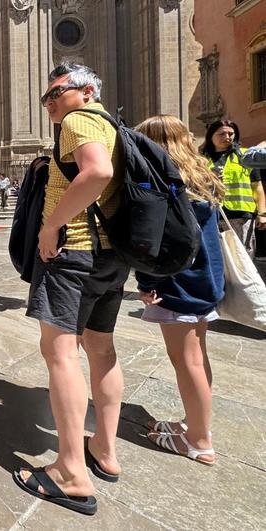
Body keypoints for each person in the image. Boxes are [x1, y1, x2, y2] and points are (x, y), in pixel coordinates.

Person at [16, 62, 129, 516]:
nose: (49, 103)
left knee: (61, 354)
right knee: (102, 350)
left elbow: (96, 173)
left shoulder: (78, 120)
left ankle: (70, 472)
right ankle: (104, 449)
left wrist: (51, 228)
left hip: (74, 254)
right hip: (109, 257)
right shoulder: (112, 125)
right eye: (45, 97)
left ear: (85, 91)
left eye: (56, 93)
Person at [135, 115, 225, 466]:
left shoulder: (162, 184)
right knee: (198, 356)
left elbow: (154, 241)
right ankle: (195, 421)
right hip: (206, 278)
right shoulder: (201, 178)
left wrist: (147, 284)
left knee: (185, 360)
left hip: (178, 282)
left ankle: (199, 441)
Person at [201, 120, 266, 258]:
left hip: (241, 215)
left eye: (231, 133)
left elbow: (257, 186)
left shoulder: (245, 156)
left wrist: (262, 213)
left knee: (243, 256)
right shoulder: (201, 160)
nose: (227, 137)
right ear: (211, 136)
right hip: (211, 214)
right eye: (222, 134)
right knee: (216, 256)